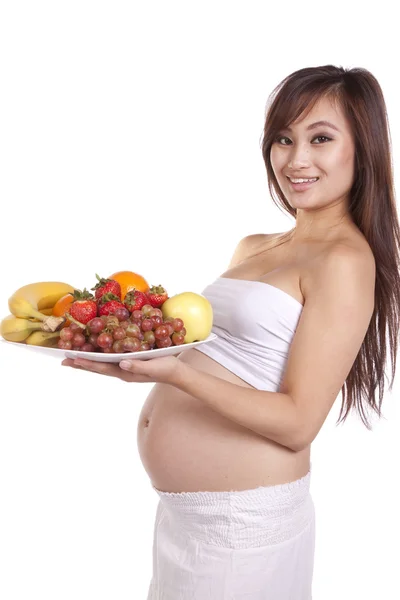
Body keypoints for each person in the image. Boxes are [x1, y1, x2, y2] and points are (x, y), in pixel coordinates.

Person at [62, 65, 400, 599]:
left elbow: (296, 423)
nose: (296, 159)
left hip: (242, 529)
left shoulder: (344, 261)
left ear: (364, 148)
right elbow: (225, 359)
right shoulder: (255, 245)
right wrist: (141, 364)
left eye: (321, 139)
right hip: (186, 520)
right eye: (284, 139)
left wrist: (177, 375)